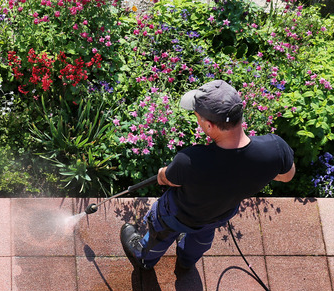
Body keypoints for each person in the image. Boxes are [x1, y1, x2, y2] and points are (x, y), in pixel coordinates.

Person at [121, 79, 296, 272]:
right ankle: (186, 261)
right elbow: (287, 176)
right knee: (201, 240)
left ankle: (145, 259)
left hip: (178, 215)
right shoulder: (275, 148)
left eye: (198, 117)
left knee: (160, 235)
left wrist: (162, 172)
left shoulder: (189, 160)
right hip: (218, 214)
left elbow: (166, 179)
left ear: (210, 126)